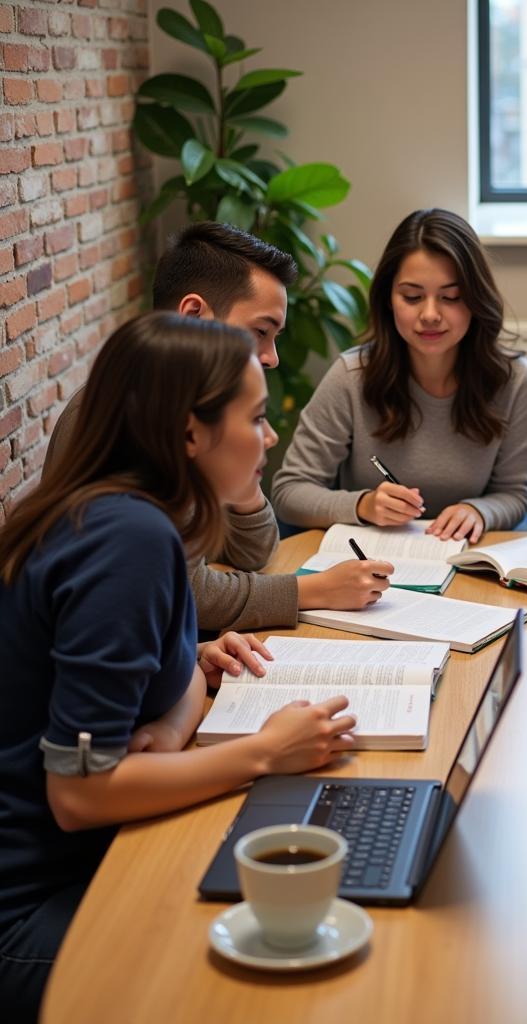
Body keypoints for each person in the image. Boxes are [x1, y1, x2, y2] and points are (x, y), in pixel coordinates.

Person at [0, 312, 363, 1022]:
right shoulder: (128, 541)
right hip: (30, 907)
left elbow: (157, 696)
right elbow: (81, 795)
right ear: (190, 433)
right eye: (255, 418)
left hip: (86, 862)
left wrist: (180, 687)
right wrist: (264, 752)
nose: (269, 438)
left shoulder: (122, 516)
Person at [42, 221, 391, 631]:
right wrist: (311, 592)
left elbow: (253, 551)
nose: (273, 357)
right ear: (194, 314)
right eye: (260, 332)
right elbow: (184, 593)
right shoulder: (132, 418)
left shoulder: (201, 408)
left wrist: (246, 478)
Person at [272, 208, 527, 543]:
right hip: (369, 561)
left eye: (450, 297)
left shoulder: (513, 381)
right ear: (388, 299)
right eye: (412, 297)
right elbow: (289, 491)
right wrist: (363, 504)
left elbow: (514, 493)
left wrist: (480, 511)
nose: (430, 314)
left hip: (467, 558)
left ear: (475, 299)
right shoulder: (351, 377)